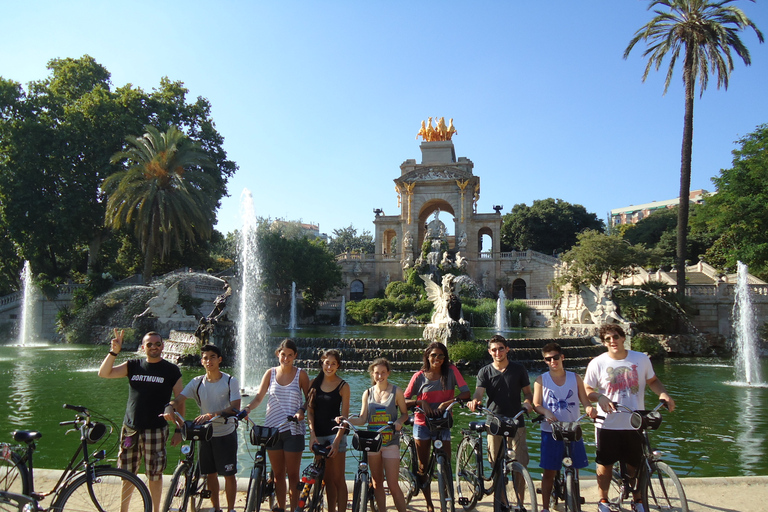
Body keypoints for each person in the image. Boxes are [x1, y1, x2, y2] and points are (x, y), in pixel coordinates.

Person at [584, 324, 676, 512]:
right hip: (607, 423)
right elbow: (587, 391)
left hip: (635, 421)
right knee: (605, 464)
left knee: (635, 464)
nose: (613, 341)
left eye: (616, 337)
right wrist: (599, 397)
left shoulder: (640, 359)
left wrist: (664, 394)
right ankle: (603, 500)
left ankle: (638, 500)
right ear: (603, 342)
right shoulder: (598, 363)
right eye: (608, 339)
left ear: (623, 337)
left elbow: (653, 381)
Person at [98, 329, 183, 512]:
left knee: (155, 473)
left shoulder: (171, 370)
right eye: (149, 344)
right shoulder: (133, 365)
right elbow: (104, 373)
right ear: (143, 347)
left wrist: (178, 430)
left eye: (157, 344)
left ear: (163, 346)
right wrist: (114, 352)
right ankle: (124, 510)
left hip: (156, 430)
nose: (154, 347)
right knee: (127, 472)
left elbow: (180, 400)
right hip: (130, 430)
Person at [164, 344, 241, 512]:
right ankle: (216, 508)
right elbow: (179, 399)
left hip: (225, 433)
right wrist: (170, 406)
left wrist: (212, 415)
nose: (209, 361)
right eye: (205, 358)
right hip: (205, 434)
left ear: (219, 359)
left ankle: (231, 509)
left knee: (229, 474)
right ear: (201, 361)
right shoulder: (197, 382)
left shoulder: (230, 381)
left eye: (212, 357)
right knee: (210, 473)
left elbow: (235, 407)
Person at [243, 339, 310, 512]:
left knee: (293, 475)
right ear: (277, 355)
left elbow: (310, 399)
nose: (286, 358)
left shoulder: (301, 374)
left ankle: (295, 508)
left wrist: (302, 410)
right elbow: (259, 397)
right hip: (272, 431)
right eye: (283, 355)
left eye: (290, 355)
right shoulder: (270, 373)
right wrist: (247, 408)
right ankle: (281, 507)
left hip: (293, 430)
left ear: (295, 356)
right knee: (278, 475)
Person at [405, 341, 470, 512]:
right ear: (427, 356)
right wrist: (420, 401)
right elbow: (403, 401)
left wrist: (447, 403)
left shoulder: (452, 371)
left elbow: (466, 393)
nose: (437, 359)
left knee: (446, 462)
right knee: (423, 466)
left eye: (441, 355)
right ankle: (428, 503)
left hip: (443, 422)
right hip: (422, 423)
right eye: (434, 355)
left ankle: (447, 499)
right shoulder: (419, 376)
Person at [532, 342, 596, 512]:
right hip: (551, 431)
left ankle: (573, 499)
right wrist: (545, 411)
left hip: (572, 429)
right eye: (548, 359)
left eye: (555, 357)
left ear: (562, 357)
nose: (552, 361)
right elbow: (536, 404)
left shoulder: (575, 378)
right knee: (549, 472)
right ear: (545, 361)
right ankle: (545, 507)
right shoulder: (541, 380)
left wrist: (589, 408)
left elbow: (584, 400)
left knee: (574, 469)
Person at [348, 358, 409, 512]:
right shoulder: (367, 393)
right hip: (373, 444)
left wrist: (399, 422)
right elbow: (363, 419)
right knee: (377, 483)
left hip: (390, 443)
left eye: (383, 372)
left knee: (393, 485)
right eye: (377, 373)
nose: (380, 376)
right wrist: (346, 419)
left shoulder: (397, 391)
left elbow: (404, 414)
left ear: (388, 373)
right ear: (372, 374)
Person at [468, 335, 534, 467]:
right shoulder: (484, 372)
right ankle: (498, 487)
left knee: (520, 463)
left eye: (501, 349)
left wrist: (528, 403)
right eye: (494, 350)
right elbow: (479, 392)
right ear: (489, 352)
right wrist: (475, 400)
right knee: (495, 464)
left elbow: (527, 393)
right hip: (494, 421)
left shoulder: (519, 369)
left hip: (516, 420)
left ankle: (519, 487)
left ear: (507, 349)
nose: (497, 353)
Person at [306, 350, 350, 512]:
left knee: (338, 479)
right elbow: (310, 412)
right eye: (326, 363)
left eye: (333, 363)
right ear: (321, 363)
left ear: (338, 365)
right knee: (326, 479)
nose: (329, 367)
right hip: (318, 436)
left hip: (335, 436)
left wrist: (337, 441)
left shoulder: (343, 386)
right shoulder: (313, 383)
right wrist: (312, 435)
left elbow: (344, 417)